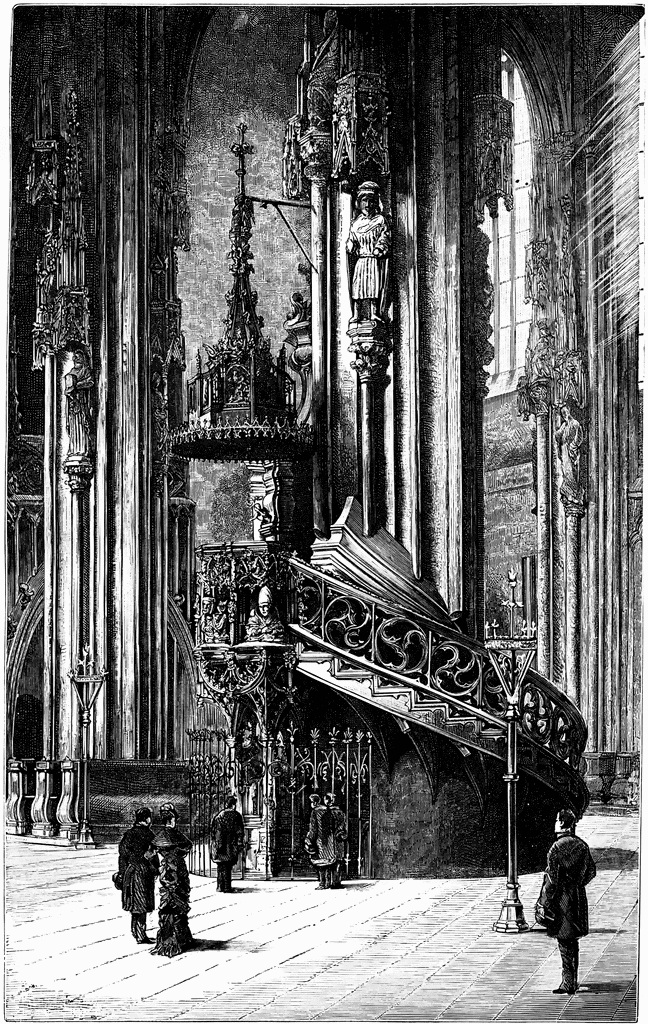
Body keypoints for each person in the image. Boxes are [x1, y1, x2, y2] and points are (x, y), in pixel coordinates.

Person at [543, 808, 597, 995]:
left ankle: (568, 983)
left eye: (557, 820)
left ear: (561, 823)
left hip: (562, 899)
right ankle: (571, 981)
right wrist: (578, 884)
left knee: (564, 943)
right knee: (572, 942)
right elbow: (591, 872)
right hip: (577, 897)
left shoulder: (556, 848)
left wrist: (544, 902)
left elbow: (551, 880)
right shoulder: (582, 845)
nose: (555, 823)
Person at [150, 803, 193, 958]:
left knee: (168, 902)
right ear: (173, 818)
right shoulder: (176, 835)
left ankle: (169, 938)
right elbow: (188, 846)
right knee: (178, 902)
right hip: (178, 872)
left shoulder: (159, 836)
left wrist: (162, 858)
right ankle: (178, 938)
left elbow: (150, 853)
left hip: (166, 872)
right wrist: (177, 854)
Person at [346, 181, 391, 323]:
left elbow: (385, 236)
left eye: (371, 201)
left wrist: (379, 248)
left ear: (375, 203)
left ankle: (373, 312)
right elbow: (352, 238)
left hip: (372, 258)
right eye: (364, 201)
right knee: (358, 286)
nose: (368, 205)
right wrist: (350, 244)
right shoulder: (356, 223)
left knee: (372, 286)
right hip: (361, 259)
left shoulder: (380, 220)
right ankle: (357, 313)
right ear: (359, 203)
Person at [117, 806, 159, 944]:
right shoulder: (148, 835)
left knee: (134, 904)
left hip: (130, 872)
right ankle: (141, 935)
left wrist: (122, 873)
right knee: (142, 904)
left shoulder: (128, 834)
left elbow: (122, 855)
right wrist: (156, 870)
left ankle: (135, 932)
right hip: (143, 872)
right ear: (146, 819)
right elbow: (153, 855)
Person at [210, 795, 245, 893]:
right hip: (230, 845)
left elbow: (213, 831)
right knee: (227, 866)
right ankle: (226, 887)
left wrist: (216, 844)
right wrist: (239, 844)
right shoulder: (236, 816)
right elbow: (239, 832)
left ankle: (220, 886)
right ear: (233, 805)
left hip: (219, 844)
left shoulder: (219, 816)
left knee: (220, 866)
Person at [305, 794, 337, 889]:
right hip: (329, 839)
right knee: (328, 862)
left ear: (314, 802)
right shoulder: (328, 810)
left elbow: (313, 828)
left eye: (311, 802)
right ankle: (328, 882)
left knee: (320, 863)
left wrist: (309, 839)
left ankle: (322, 883)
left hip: (320, 840)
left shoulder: (315, 812)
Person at [325, 791, 348, 889]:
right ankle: (336, 881)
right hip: (339, 840)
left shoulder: (327, 813)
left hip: (329, 841)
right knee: (338, 862)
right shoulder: (341, 813)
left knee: (328, 862)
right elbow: (345, 827)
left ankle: (328, 882)